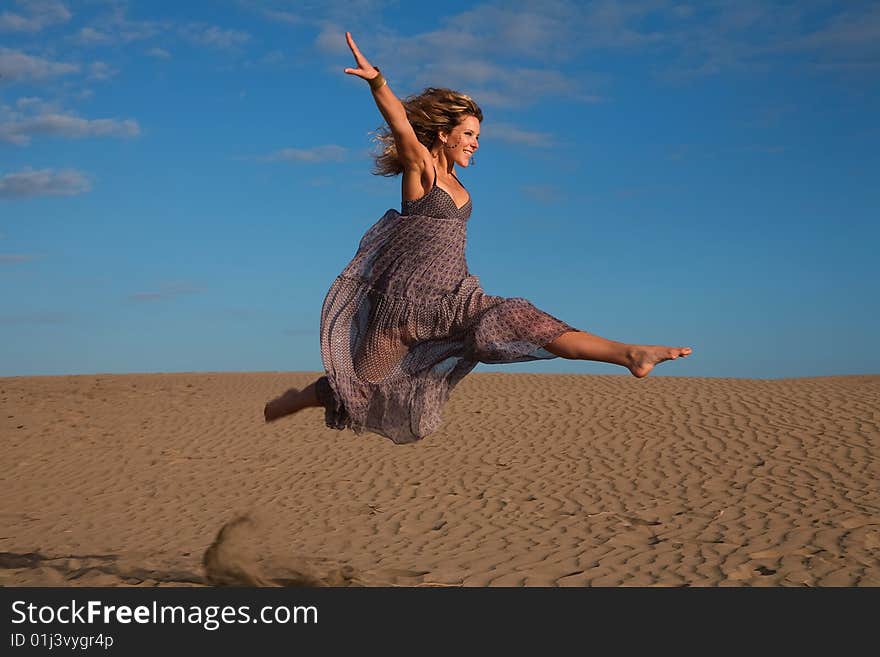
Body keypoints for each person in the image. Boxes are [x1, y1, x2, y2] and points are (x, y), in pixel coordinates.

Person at [264, 31, 692, 444]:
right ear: (443, 134)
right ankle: (294, 400)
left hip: (452, 304)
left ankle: (628, 355)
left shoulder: (460, 186)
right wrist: (377, 81)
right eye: (468, 135)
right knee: (354, 392)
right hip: (397, 315)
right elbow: (399, 124)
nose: (474, 144)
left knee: (521, 316)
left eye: (478, 137)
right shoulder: (423, 173)